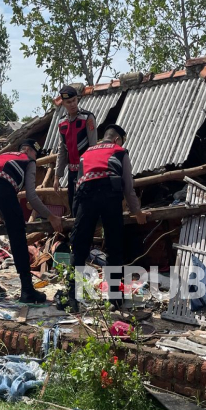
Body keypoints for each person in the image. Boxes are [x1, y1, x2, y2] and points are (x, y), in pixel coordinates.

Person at [66, 125, 147, 311]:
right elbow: (128, 187)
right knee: (114, 248)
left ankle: (72, 299)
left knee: (78, 248)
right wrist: (138, 212)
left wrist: (76, 215)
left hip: (86, 198)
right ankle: (114, 299)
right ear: (118, 140)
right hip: (110, 197)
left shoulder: (86, 154)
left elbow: (78, 186)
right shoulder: (120, 152)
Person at [0, 139, 63, 304]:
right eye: (36, 155)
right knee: (17, 236)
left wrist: (2, 213)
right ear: (30, 151)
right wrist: (51, 216)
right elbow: (31, 195)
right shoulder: (28, 160)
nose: (35, 159)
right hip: (3, 187)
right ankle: (27, 290)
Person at [53, 85, 97, 214]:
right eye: (68, 102)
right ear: (63, 104)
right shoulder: (62, 123)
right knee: (74, 207)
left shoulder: (87, 118)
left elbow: (93, 147)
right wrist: (57, 176)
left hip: (86, 171)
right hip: (71, 172)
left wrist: (91, 172)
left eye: (74, 101)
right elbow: (62, 150)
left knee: (86, 208)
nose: (72, 104)